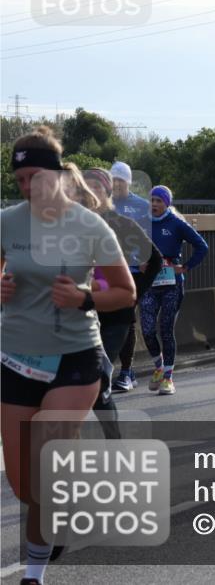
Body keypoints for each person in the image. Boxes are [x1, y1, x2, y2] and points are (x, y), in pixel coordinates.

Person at [2, 127, 136, 585]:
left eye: (35, 176)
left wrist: (84, 299)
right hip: (16, 358)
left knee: (43, 469)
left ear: (57, 175)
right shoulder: (7, 222)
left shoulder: (89, 224)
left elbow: (125, 292)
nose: (27, 187)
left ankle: (34, 574)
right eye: (19, 179)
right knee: (23, 485)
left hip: (75, 358)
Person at [78, 167, 161, 436]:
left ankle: (114, 442)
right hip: (80, 315)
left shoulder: (122, 224)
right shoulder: (70, 224)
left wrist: (133, 294)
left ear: (107, 193)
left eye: (96, 188)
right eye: (83, 189)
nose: (89, 193)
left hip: (115, 318)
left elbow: (156, 259)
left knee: (99, 378)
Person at [141, 186, 209, 395]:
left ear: (167, 203)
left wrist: (185, 266)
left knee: (166, 329)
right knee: (147, 329)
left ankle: (168, 378)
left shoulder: (176, 223)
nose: (154, 204)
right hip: (150, 284)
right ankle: (159, 367)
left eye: (159, 201)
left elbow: (202, 247)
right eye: (152, 200)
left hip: (172, 284)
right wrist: (139, 262)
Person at [108, 160, 151, 394]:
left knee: (127, 319)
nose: (116, 184)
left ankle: (125, 371)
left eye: (120, 180)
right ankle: (123, 370)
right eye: (113, 180)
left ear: (128, 182)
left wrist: (145, 256)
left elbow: (150, 238)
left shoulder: (142, 206)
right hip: (106, 270)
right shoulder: (103, 204)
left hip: (133, 271)